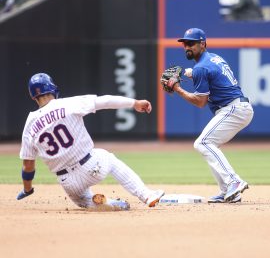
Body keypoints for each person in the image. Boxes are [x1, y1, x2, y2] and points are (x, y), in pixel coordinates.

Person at [17, 73, 164, 211]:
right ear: (52, 88)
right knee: (110, 160)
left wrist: (27, 189)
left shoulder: (29, 124)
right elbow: (105, 101)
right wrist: (134, 103)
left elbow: (28, 165)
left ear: (33, 96)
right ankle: (147, 195)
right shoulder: (68, 103)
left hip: (67, 181)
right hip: (92, 166)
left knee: (82, 201)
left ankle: (107, 204)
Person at [161, 28, 254, 203]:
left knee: (203, 142)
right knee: (208, 144)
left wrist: (177, 88)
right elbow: (209, 73)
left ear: (202, 44)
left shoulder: (201, 67)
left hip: (233, 109)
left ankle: (234, 181)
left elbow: (200, 102)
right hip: (237, 107)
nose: (186, 47)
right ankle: (228, 191)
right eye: (184, 43)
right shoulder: (213, 58)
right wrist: (190, 73)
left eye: (191, 43)